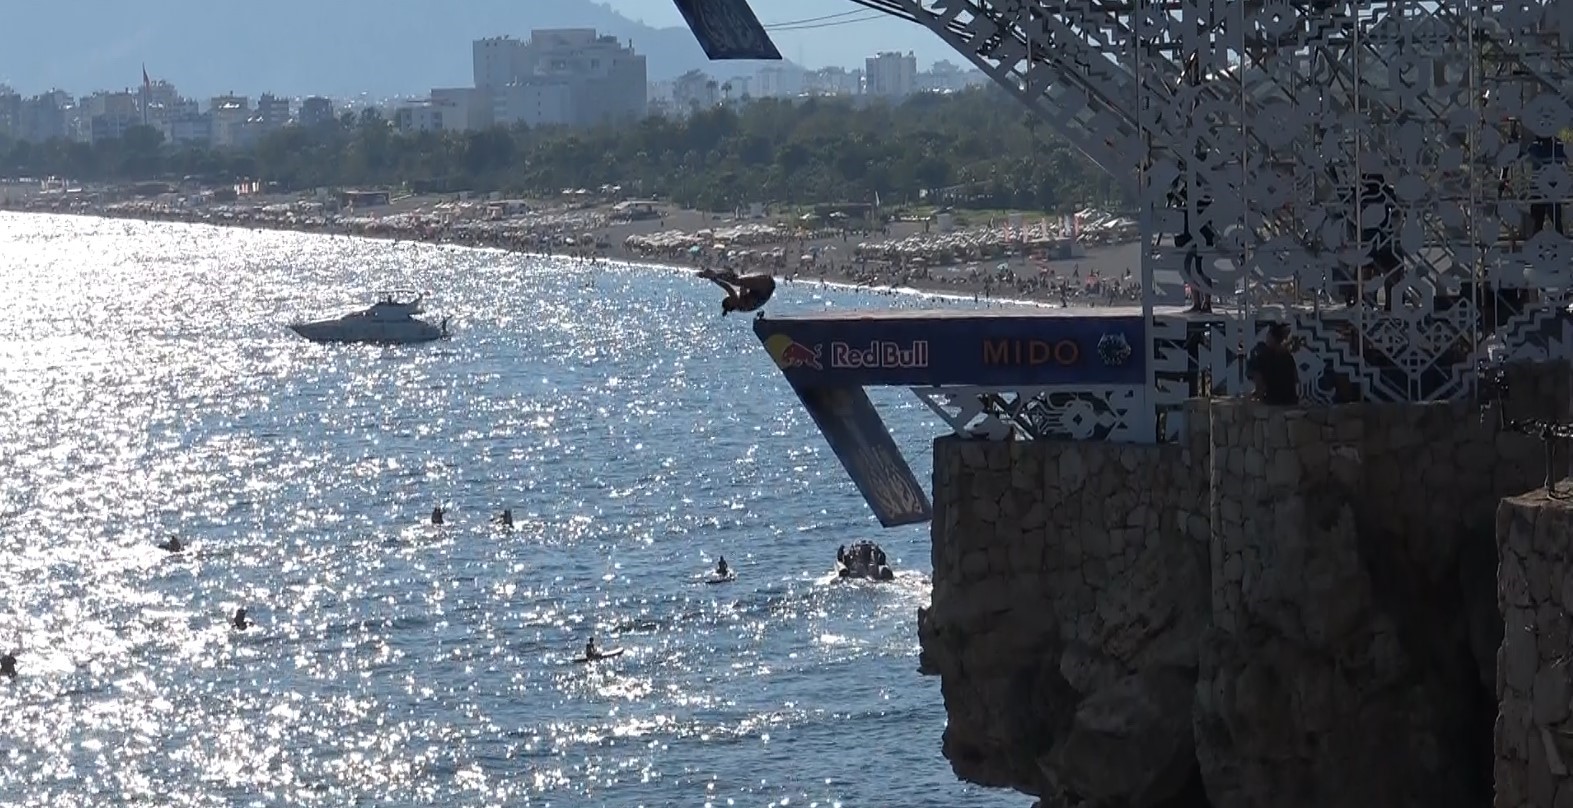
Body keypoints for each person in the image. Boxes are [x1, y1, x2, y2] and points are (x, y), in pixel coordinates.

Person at [1247, 323, 1300, 406]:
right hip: (1290, 403)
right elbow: (1296, 379)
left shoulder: (1262, 357)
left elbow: (1260, 386)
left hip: (1272, 403)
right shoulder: (1288, 357)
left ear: (1271, 338)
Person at [700, 268, 775, 315]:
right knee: (737, 281)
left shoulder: (741, 306)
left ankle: (717, 273)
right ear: (732, 304)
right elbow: (729, 288)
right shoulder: (741, 305)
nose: (732, 296)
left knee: (738, 280)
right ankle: (714, 273)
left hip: (765, 286)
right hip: (766, 286)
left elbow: (743, 288)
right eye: (730, 298)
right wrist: (714, 279)